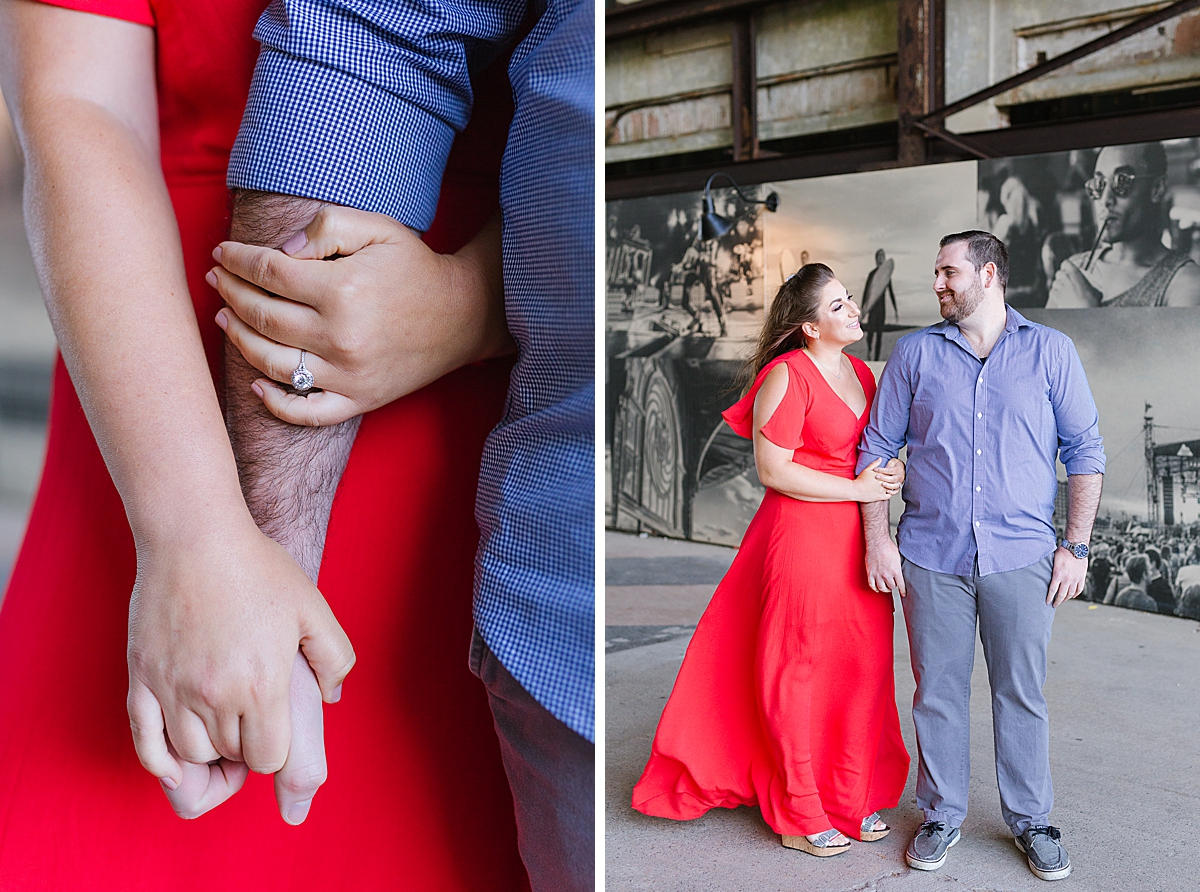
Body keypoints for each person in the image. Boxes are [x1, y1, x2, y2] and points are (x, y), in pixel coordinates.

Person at [0, 1, 527, 888]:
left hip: (467, 397)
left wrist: (469, 304)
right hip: (152, 384)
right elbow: (77, 105)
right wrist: (194, 539)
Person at [207, 3, 595, 888]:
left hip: (423, 372)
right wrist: (260, 569)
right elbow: (370, 45)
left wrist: (472, 302)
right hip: (549, 612)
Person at [629, 264, 910, 856]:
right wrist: (863, 489)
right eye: (838, 306)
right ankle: (799, 811)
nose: (854, 310)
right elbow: (773, 470)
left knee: (861, 667)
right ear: (809, 326)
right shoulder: (787, 376)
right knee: (799, 672)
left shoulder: (861, 371)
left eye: (849, 299)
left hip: (857, 536)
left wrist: (888, 473)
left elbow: (873, 450)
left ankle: (849, 795)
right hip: (802, 538)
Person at [859, 231, 1105, 882]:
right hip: (930, 553)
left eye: (948, 272)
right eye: (936, 272)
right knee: (936, 693)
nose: (937, 284)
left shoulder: (1052, 352)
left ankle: (1032, 821)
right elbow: (876, 452)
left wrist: (1075, 547)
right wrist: (878, 539)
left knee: (1020, 693)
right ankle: (940, 814)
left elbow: (1085, 454)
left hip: (1021, 555)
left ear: (988, 275)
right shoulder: (913, 355)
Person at [1046, 142, 1200, 307]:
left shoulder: (1184, 281)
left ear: (1156, 188)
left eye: (1121, 182)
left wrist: (1086, 312)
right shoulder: (1074, 270)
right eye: (1099, 184)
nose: (1105, 200)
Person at [861, 248, 898, 360]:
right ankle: (869, 350)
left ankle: (876, 358)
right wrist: (863, 308)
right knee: (870, 333)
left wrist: (895, 309)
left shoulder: (886, 277)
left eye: (882, 256)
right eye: (879, 256)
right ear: (876, 259)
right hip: (872, 309)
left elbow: (891, 293)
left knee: (879, 335)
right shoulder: (872, 274)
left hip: (882, 309)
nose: (881, 258)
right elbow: (866, 292)